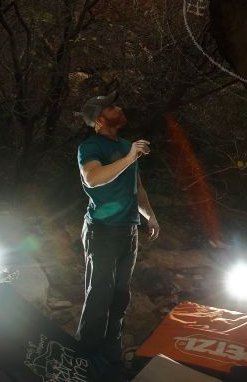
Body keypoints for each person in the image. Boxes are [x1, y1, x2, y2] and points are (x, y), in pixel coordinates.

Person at [75, 90, 160, 373]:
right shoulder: (90, 147)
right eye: (112, 107)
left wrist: (150, 216)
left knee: (120, 295)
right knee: (99, 293)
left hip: (127, 231)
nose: (119, 108)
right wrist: (129, 156)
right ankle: (85, 360)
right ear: (99, 119)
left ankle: (111, 356)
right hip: (101, 231)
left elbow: (136, 186)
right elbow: (93, 178)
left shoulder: (125, 144)